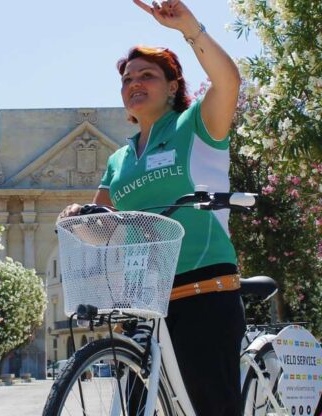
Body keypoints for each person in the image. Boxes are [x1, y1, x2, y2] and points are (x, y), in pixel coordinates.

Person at [59, 1, 243, 414]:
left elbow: (228, 81)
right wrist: (78, 219)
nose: (134, 83)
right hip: (144, 298)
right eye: (127, 79)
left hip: (203, 286)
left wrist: (189, 28)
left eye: (147, 75)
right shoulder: (119, 161)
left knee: (213, 406)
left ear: (173, 86)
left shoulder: (196, 124)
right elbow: (100, 226)